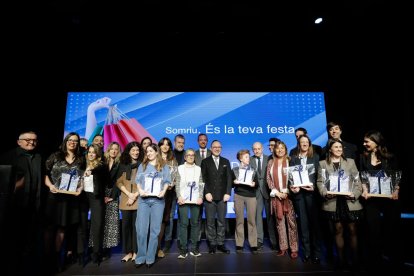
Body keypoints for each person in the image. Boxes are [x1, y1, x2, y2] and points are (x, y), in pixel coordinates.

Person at [0, 131, 44, 273]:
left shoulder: (38, 157)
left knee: (30, 238)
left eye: (35, 140)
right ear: (19, 141)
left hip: (34, 205)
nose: (31, 142)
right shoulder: (8, 156)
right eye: (28, 139)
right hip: (14, 206)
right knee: (12, 239)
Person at [316, 138, 363, 270]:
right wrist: (325, 193)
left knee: (353, 230)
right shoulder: (323, 164)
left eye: (340, 147)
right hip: (333, 202)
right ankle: (341, 261)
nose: (338, 149)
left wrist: (355, 193)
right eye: (336, 147)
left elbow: (357, 181)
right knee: (338, 230)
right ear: (330, 149)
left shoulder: (350, 162)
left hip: (349, 201)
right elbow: (320, 182)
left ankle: (355, 261)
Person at [359, 130, 401, 270]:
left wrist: (396, 191)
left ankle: (394, 258)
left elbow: (396, 175)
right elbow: (363, 176)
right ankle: (375, 259)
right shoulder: (363, 157)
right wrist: (364, 191)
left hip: (389, 199)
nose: (364, 144)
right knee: (373, 229)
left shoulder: (390, 156)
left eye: (367, 141)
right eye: (364, 141)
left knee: (391, 228)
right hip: (371, 199)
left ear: (376, 142)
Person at [43, 132, 84, 272]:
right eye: (70, 140)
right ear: (66, 141)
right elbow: (45, 174)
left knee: (62, 227)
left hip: (70, 198)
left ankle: (57, 259)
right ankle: (47, 258)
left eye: (75, 141)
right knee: (50, 227)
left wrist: (80, 189)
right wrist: (50, 186)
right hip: (54, 196)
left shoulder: (80, 159)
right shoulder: (55, 156)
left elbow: (83, 177)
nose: (73, 143)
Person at [135, 143, 170, 268]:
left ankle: (150, 258)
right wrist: (140, 191)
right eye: (147, 151)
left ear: (156, 152)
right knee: (141, 230)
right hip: (144, 201)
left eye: (151, 151)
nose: (148, 153)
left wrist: (163, 191)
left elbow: (167, 181)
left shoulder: (163, 166)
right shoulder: (142, 166)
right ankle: (141, 257)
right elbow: (138, 181)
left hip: (158, 201)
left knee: (155, 231)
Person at [289, 134, 322, 264]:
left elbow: (319, 177)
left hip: (311, 196)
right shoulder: (293, 159)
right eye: (301, 142)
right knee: (303, 226)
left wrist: (313, 187)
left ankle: (317, 253)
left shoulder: (316, 158)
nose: (304, 144)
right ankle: (307, 253)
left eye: (306, 142)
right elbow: (290, 177)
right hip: (299, 196)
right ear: (299, 144)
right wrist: (292, 187)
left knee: (314, 225)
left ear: (309, 144)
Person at [266, 140, 299, 259]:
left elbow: (294, 178)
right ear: (274, 150)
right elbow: (268, 180)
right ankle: (283, 247)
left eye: (282, 148)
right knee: (279, 223)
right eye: (278, 148)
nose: (280, 150)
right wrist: (277, 192)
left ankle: (294, 248)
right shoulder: (270, 162)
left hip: (289, 197)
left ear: (285, 150)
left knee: (291, 223)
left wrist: (287, 191)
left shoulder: (290, 161)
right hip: (276, 197)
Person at [201, 140, 232, 254]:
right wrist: (206, 192)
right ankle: (212, 244)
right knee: (210, 222)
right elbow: (202, 179)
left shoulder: (226, 161)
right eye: (215, 147)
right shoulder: (205, 161)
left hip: (223, 197)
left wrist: (228, 193)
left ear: (221, 148)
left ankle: (221, 243)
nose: (217, 149)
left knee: (221, 221)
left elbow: (229, 179)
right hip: (209, 197)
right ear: (211, 148)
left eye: (219, 147)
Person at [175, 149, 204, 258]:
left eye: (192, 155)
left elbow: (201, 183)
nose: (191, 157)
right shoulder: (180, 168)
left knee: (195, 223)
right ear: (185, 157)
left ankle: (195, 248)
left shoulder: (198, 168)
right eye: (189, 155)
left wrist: (201, 196)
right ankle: (183, 249)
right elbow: (177, 183)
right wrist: (179, 196)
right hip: (183, 199)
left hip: (196, 199)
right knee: (183, 223)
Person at [82, 144, 108, 265]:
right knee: (82, 226)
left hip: (96, 198)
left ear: (98, 154)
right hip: (82, 197)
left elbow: (100, 172)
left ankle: (97, 253)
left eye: (94, 152)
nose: (91, 154)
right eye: (89, 152)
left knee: (97, 226)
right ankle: (81, 253)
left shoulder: (101, 166)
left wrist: (90, 171)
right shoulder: (83, 164)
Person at [250, 142, 278, 251]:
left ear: (262, 149)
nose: (256, 151)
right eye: (254, 149)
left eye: (258, 148)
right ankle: (259, 240)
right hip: (255, 192)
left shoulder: (269, 159)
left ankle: (274, 242)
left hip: (269, 191)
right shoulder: (250, 160)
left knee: (271, 218)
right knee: (258, 217)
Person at [116, 141, 141, 263]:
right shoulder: (122, 165)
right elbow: (119, 182)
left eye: (137, 150)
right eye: (133, 150)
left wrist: (134, 195)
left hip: (138, 200)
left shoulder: (143, 165)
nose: (136, 153)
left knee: (136, 227)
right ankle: (128, 252)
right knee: (125, 227)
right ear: (128, 152)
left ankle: (136, 252)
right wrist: (129, 194)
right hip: (126, 200)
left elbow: (145, 183)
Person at [232, 149, 259, 254]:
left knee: (251, 221)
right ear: (240, 159)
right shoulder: (234, 170)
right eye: (246, 157)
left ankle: (253, 244)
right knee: (239, 220)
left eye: (248, 156)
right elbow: (231, 184)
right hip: (239, 196)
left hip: (251, 196)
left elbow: (257, 184)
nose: (249, 158)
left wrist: (254, 184)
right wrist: (233, 182)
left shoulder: (253, 170)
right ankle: (239, 244)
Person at [156, 137, 178, 258]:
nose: (165, 146)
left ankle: (159, 248)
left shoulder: (173, 160)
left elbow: (174, 177)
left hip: (168, 194)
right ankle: (152, 247)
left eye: (167, 144)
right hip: (154, 194)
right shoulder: (153, 158)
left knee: (164, 220)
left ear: (170, 147)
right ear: (159, 146)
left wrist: (169, 185)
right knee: (154, 221)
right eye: (163, 144)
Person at [101, 142, 122, 259]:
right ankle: (98, 247)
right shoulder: (102, 162)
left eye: (116, 149)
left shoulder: (120, 164)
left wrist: (112, 196)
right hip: (100, 195)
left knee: (111, 223)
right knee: (100, 221)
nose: (114, 151)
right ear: (108, 150)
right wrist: (102, 195)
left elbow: (118, 181)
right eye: (112, 149)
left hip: (113, 195)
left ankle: (107, 249)